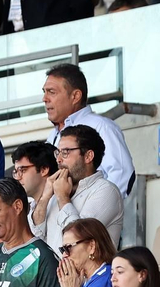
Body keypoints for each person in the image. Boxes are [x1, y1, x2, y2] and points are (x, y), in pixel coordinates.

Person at [41, 63, 136, 193]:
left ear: (75, 96)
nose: (44, 99)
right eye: (44, 92)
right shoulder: (53, 135)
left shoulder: (102, 126)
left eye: (52, 92)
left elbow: (122, 174)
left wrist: (95, 208)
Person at [40, 125, 124, 253]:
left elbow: (78, 240)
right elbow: (36, 238)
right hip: (55, 273)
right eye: (58, 152)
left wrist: (63, 198)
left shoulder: (106, 191)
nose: (58, 159)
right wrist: (45, 197)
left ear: (88, 156)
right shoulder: (56, 191)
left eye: (66, 152)